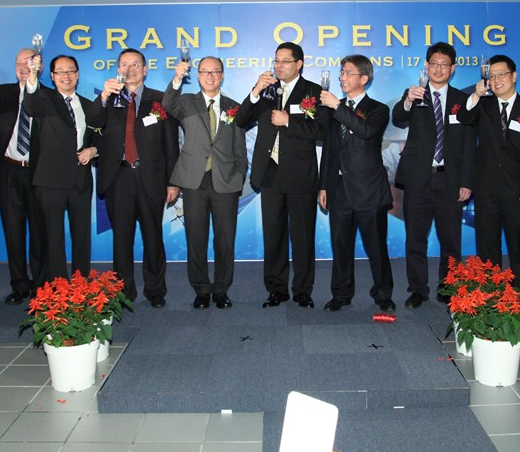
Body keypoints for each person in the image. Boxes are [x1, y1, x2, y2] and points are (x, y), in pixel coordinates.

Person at [235, 42, 328, 308]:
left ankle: (302, 290)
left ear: (299, 64)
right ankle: (276, 289)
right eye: (276, 60)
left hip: (300, 174)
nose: (279, 65)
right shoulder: (266, 90)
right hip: (270, 173)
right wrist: (255, 91)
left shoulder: (313, 91)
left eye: (285, 61)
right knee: (273, 235)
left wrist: (289, 120)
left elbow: (322, 130)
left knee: (302, 236)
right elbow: (241, 120)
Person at [88, 48, 179, 307]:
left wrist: (172, 181)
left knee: (153, 237)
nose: (130, 69)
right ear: (118, 69)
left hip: (151, 177)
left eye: (136, 64)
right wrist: (104, 96)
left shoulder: (161, 100)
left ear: (145, 69)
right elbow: (91, 123)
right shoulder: (108, 100)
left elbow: (171, 144)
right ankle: (123, 290)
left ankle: (155, 290)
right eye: (124, 64)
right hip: (118, 178)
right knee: (122, 238)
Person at [392, 42, 475, 308]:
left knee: (450, 239)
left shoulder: (463, 101)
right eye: (434, 64)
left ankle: (449, 287)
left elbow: (469, 146)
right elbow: (398, 116)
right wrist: (407, 100)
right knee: (415, 237)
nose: (438, 69)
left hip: (449, 180)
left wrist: (466, 182)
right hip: (418, 179)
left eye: (444, 65)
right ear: (426, 66)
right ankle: (417, 289)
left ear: (452, 69)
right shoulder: (414, 95)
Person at [164, 57, 248, 309]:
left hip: (225, 182)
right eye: (204, 72)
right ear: (198, 75)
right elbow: (167, 104)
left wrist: (239, 175)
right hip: (193, 181)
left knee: (225, 240)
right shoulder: (186, 102)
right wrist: (177, 78)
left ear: (222, 75)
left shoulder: (234, 107)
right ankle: (201, 289)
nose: (210, 76)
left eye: (215, 72)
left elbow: (240, 150)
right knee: (196, 238)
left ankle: (221, 289)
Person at [456, 54, 520, 290]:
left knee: (518, 242)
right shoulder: (482, 106)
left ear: (514, 76)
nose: (497, 80)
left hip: (518, 189)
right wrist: (475, 94)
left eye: (501, 74)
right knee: (487, 244)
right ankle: (490, 290)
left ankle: (518, 290)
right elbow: (464, 117)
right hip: (486, 188)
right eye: (492, 76)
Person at [319, 55, 394, 312]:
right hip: (339, 189)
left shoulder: (378, 109)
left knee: (376, 246)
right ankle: (341, 294)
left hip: (369, 190)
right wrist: (324, 186)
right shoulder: (333, 107)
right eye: (341, 72)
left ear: (364, 78)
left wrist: (338, 109)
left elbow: (366, 131)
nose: (342, 77)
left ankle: (383, 294)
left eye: (348, 73)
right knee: (341, 246)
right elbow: (329, 150)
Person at [0, 48, 44, 303]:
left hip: (38, 173)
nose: (23, 67)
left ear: (39, 66)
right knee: (13, 230)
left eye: (29, 62)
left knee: (39, 232)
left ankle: (40, 284)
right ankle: (19, 285)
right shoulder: (3, 92)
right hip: (8, 171)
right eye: (19, 63)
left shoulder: (48, 95)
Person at [23, 54, 98, 280]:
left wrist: (93, 150)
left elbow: (100, 135)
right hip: (50, 180)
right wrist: (33, 74)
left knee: (82, 236)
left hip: (80, 179)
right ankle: (57, 288)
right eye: (61, 71)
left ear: (78, 74)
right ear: (53, 76)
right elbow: (31, 103)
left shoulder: (87, 104)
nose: (67, 76)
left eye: (71, 71)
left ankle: (81, 284)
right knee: (53, 237)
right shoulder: (45, 100)